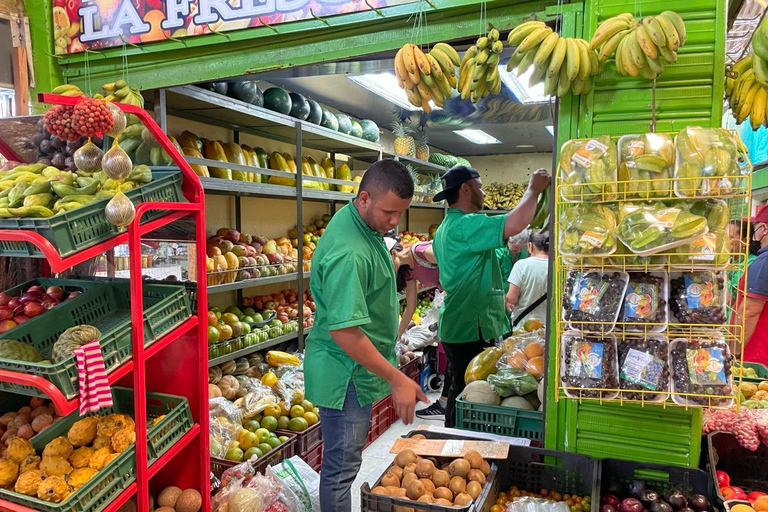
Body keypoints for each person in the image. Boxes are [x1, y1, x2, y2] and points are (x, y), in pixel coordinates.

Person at [304, 159, 428, 512]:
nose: (394, 222)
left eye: (400, 213)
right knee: (341, 471)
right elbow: (344, 332)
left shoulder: (363, 226)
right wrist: (396, 379)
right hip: (347, 375)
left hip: (353, 371)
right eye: (389, 212)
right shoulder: (350, 252)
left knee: (344, 465)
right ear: (363, 198)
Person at [431, 165, 550, 427]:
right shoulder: (465, 225)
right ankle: (459, 440)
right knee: (469, 395)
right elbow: (516, 223)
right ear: (465, 189)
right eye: (480, 186)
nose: (483, 192)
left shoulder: (447, 227)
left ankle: (457, 437)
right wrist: (533, 190)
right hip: (468, 327)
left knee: (461, 390)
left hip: (459, 324)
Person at [385, 236, 447, 419]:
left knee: (454, 350)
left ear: (394, 253)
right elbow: (410, 307)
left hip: (459, 295)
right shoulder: (407, 273)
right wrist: (397, 335)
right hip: (448, 302)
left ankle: (446, 404)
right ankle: (447, 403)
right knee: (448, 350)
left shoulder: (421, 252)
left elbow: (453, 260)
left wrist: (447, 291)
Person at [732, 206, 768, 366]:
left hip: (756, 354)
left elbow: (749, 311)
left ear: (764, 228)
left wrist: (733, 352)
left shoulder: (763, 261)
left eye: (755, 229)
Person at [505, 230, 550, 328]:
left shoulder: (521, 265)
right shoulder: (557, 267)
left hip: (525, 326)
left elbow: (512, 298)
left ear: (531, 245)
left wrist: (505, 299)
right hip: (550, 326)